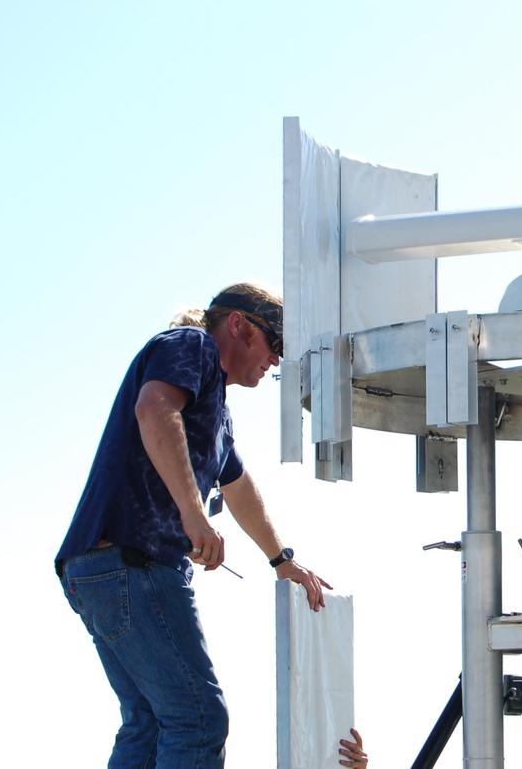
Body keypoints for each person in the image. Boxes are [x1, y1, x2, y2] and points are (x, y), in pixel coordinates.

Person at [56, 283, 332, 768]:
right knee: (198, 719)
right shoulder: (190, 346)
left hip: (102, 569)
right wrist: (192, 512)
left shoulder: (216, 411)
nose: (276, 361)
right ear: (239, 325)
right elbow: (154, 408)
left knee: (149, 721)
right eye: (277, 344)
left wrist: (281, 561)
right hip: (132, 565)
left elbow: (239, 486)